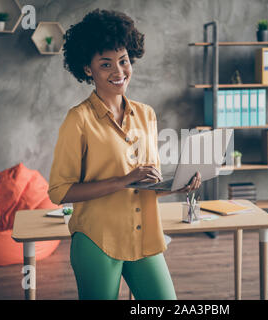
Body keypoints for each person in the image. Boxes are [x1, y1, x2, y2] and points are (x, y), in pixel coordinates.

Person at [48, 9, 201, 300]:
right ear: (87, 69)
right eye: (106, 64)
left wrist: (178, 186)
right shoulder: (78, 120)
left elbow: (145, 186)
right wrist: (124, 179)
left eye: (123, 61)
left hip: (144, 239)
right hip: (97, 241)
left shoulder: (146, 115)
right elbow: (59, 192)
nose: (118, 72)